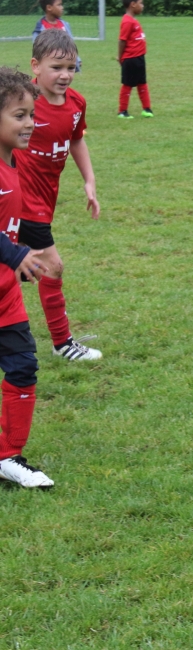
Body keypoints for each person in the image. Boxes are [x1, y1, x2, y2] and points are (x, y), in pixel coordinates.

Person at [14, 29, 102, 362]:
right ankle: (63, 343)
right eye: (56, 67)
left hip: (44, 199)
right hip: (23, 200)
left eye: (71, 67)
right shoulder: (22, 103)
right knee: (52, 266)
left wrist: (89, 180)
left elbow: (76, 139)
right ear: (35, 66)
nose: (65, 75)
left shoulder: (76, 103)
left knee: (17, 269)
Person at [0, 66, 54, 488]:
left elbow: (21, 217)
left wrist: (42, 247)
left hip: (6, 295)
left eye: (32, 114)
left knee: (23, 366)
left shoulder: (15, 162)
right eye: (19, 115)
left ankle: (7, 455)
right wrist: (16, 253)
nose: (30, 123)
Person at [117, 0, 151, 120]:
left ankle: (147, 109)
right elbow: (122, 41)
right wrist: (120, 57)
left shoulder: (133, 20)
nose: (142, 6)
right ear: (133, 4)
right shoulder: (127, 21)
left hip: (139, 58)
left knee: (142, 83)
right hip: (130, 59)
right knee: (128, 85)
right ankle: (122, 111)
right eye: (141, 3)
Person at [31, 0, 81, 72]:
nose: (62, 7)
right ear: (49, 8)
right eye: (59, 5)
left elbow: (71, 44)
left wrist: (77, 59)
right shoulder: (40, 29)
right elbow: (37, 49)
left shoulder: (65, 25)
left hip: (65, 63)